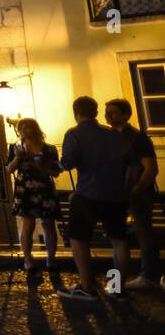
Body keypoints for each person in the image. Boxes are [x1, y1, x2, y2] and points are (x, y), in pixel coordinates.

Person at [59, 96, 132, 301]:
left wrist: (59, 163)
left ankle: (87, 286)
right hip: (116, 195)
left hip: (88, 194)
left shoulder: (74, 134)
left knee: (79, 238)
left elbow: (68, 163)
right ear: (96, 112)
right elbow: (132, 164)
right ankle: (118, 288)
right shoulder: (114, 135)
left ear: (76, 113)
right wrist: (126, 187)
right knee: (119, 240)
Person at [104, 98, 161, 291]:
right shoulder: (108, 136)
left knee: (143, 233)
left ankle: (149, 276)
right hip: (115, 193)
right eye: (107, 112)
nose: (108, 115)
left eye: (113, 112)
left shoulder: (137, 138)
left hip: (137, 194)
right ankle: (116, 283)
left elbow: (151, 168)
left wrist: (135, 191)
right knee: (118, 237)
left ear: (126, 115)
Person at [4, 118, 61, 277]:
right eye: (20, 128)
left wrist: (37, 162)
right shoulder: (15, 147)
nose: (24, 131)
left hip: (44, 187)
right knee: (27, 224)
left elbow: (55, 171)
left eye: (27, 127)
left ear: (35, 129)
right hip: (25, 188)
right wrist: (18, 157)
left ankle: (51, 259)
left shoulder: (49, 149)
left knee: (48, 223)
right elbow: (10, 168)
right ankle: (28, 260)